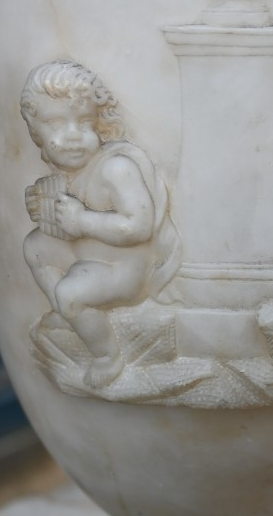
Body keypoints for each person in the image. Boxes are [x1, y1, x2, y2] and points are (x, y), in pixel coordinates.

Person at [21, 60, 181, 388]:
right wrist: (41, 206)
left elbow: (138, 226)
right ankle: (69, 313)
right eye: (55, 123)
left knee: (70, 292)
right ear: (36, 131)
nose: (73, 136)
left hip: (125, 269)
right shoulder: (68, 170)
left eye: (84, 122)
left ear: (100, 122)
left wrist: (82, 220)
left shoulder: (115, 169)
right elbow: (66, 210)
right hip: (89, 253)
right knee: (34, 246)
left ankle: (107, 356)